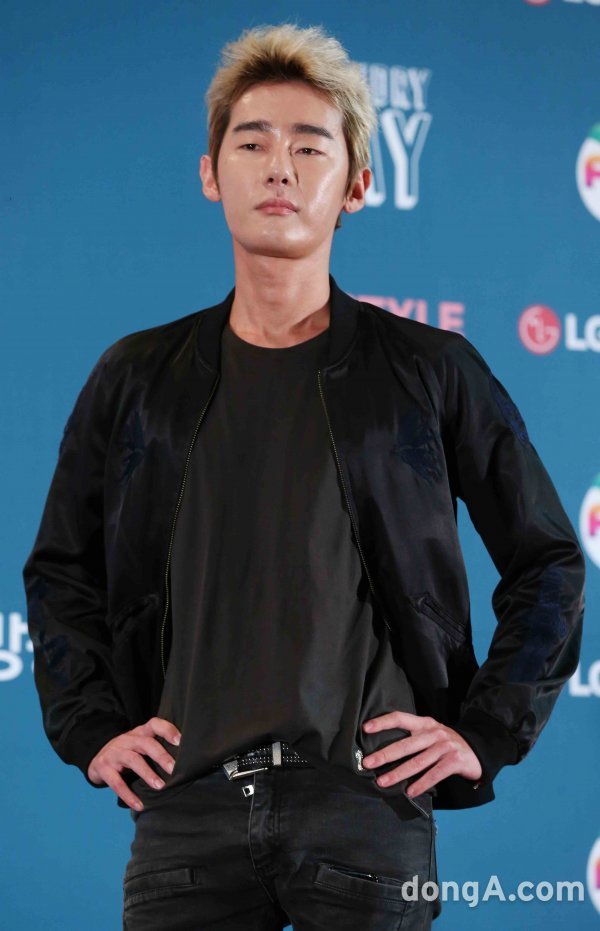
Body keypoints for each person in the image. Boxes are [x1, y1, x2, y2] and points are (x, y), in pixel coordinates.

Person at [23, 21, 585, 931]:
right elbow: (60, 570)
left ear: (356, 184)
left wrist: (485, 733)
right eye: (251, 143)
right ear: (211, 175)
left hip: (366, 813)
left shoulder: (428, 369)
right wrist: (90, 729)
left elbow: (549, 559)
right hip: (186, 818)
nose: (278, 168)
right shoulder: (137, 377)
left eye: (309, 146)